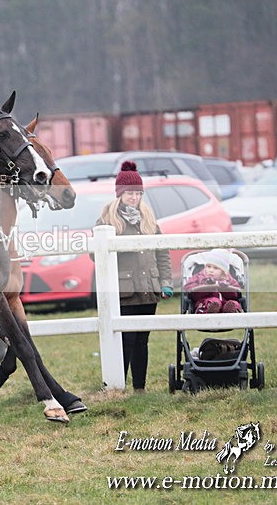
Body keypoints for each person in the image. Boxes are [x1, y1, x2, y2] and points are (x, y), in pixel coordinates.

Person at [95, 161, 173, 392]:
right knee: (126, 340)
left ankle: (140, 387)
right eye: (130, 193)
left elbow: (162, 253)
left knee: (142, 340)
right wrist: (118, 247)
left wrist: (165, 283)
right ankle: (118, 387)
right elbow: (94, 255)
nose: (134, 197)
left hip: (148, 288)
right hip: (124, 290)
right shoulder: (107, 221)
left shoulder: (149, 220)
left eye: (138, 193)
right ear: (120, 194)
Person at [184, 249, 243, 314]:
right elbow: (189, 290)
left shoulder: (229, 280)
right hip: (204, 302)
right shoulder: (199, 277)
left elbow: (236, 295)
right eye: (208, 267)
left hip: (225, 303)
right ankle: (212, 309)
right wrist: (206, 286)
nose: (211, 270)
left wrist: (225, 289)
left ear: (223, 271)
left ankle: (230, 311)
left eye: (215, 268)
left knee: (234, 303)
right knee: (213, 301)